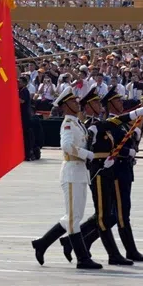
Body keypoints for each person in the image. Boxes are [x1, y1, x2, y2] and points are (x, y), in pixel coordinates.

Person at [59, 88, 143, 263]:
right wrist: (94, 156)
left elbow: (114, 131)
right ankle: (111, 254)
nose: (98, 105)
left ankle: (74, 242)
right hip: (97, 171)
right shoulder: (85, 126)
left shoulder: (99, 124)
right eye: (94, 103)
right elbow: (77, 147)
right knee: (104, 216)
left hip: (111, 170)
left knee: (109, 215)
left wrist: (136, 121)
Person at [31, 87, 102, 270]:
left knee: (74, 216)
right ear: (65, 106)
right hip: (71, 172)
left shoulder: (78, 123)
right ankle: (82, 258)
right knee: (73, 218)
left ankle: (42, 243)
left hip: (79, 173)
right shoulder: (68, 124)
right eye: (72, 102)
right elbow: (67, 146)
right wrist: (88, 154)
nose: (77, 103)